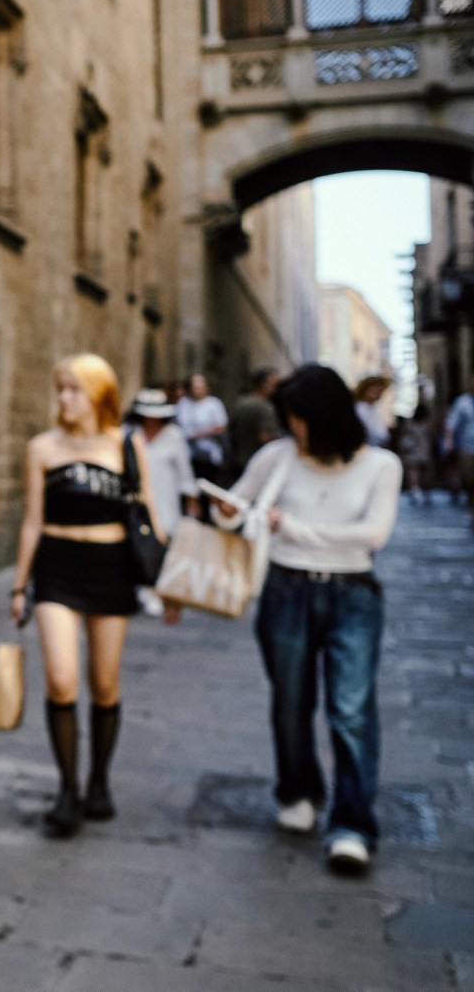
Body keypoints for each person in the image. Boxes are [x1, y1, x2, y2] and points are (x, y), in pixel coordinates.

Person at [215, 364, 401, 875]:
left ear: (326, 417)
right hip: (286, 590)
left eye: (298, 420)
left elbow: (373, 534)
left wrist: (295, 529)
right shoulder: (276, 456)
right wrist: (220, 509)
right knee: (291, 702)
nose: (292, 430)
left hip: (353, 596)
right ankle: (297, 790)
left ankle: (352, 824)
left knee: (350, 710)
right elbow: (239, 506)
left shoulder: (380, 466)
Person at [11, 354, 164, 838]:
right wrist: (20, 586)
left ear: (99, 394)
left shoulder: (128, 445)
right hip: (57, 570)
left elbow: (149, 517)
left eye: (74, 389)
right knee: (61, 679)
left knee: (105, 684)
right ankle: (67, 789)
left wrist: (168, 582)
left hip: (112, 570)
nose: (63, 398)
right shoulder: (42, 448)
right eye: (60, 388)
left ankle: (99, 781)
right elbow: (32, 520)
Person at [128, 387, 198, 619]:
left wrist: (191, 500)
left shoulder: (174, 436)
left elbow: (184, 471)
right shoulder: (129, 433)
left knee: (163, 544)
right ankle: (141, 588)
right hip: (137, 500)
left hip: (165, 498)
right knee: (137, 542)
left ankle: (158, 591)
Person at [226, 367, 282, 483]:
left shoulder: (240, 402)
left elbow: (229, 429)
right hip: (257, 462)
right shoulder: (266, 407)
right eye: (273, 385)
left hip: (238, 461)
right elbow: (265, 437)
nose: (276, 389)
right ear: (263, 385)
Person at [175, 372, 229, 486]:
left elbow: (221, 426)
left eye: (201, 387)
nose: (198, 390)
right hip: (187, 452)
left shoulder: (214, 404)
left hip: (208, 453)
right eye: (195, 388)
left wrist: (199, 434)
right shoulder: (183, 404)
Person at [396, 404, 435, 504]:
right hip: (424, 450)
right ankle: (425, 492)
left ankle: (415, 491)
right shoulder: (427, 424)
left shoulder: (409, 424)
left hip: (413, 450)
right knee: (424, 472)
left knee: (414, 472)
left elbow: (402, 436)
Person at [445, 382, 474, 510]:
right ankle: (470, 498)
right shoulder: (462, 402)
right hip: (467, 446)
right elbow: (451, 424)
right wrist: (448, 441)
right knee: (468, 476)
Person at [353, 375, 392, 448]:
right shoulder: (359, 408)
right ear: (365, 389)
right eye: (374, 389)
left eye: (380, 390)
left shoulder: (372, 409)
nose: (377, 393)